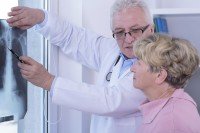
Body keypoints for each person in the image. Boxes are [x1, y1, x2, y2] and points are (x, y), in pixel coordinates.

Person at [7, 0, 154, 133]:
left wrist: (48, 81)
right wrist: (41, 18)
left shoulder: (157, 67)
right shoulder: (113, 50)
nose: (128, 39)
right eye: (120, 32)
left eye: (135, 30)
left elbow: (109, 101)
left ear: (151, 30)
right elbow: (73, 38)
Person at [131, 33, 200, 133]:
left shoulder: (169, 120)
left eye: (139, 63)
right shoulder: (175, 106)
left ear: (160, 75)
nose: (132, 69)